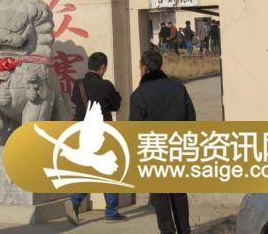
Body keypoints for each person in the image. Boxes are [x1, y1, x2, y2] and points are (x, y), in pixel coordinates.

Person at [130, 50, 196, 234]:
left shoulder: (139, 94)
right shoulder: (178, 88)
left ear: (144, 68)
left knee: (160, 196)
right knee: (179, 193)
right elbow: (191, 117)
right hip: (177, 147)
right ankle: (184, 230)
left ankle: (168, 231)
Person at [65, 52, 127, 225]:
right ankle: (110, 212)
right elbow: (116, 105)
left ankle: (76, 200)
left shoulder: (78, 84)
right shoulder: (106, 85)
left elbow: (76, 102)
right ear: (103, 67)